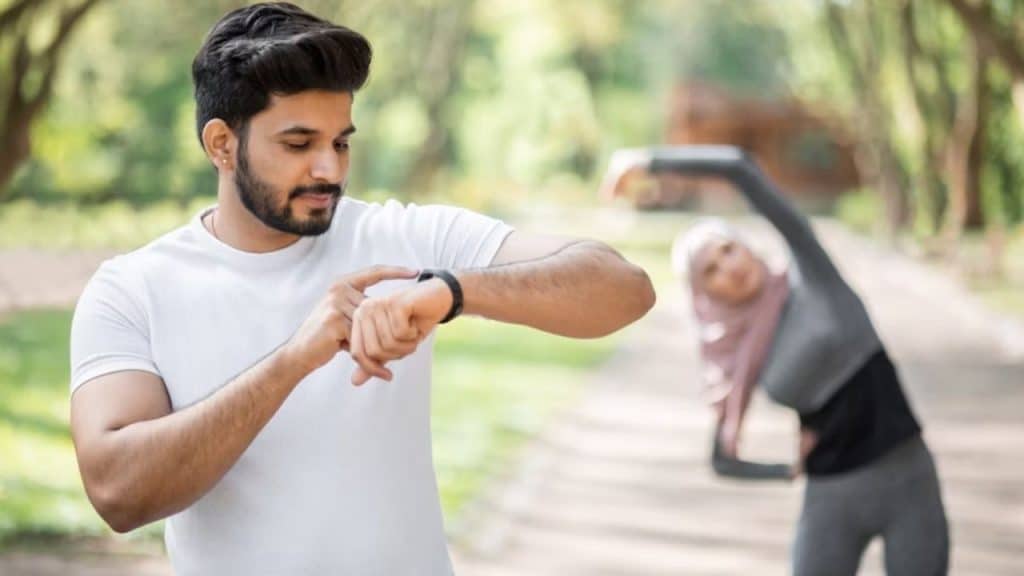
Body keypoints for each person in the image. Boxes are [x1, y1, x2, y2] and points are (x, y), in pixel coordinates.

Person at [68, 4, 655, 574]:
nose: (329, 169)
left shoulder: (403, 238)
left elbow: (623, 289)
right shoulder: (133, 290)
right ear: (221, 144)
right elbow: (118, 493)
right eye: (299, 145)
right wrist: (295, 359)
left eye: (341, 142)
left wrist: (449, 292)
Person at [602, 146, 949, 576]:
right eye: (710, 270)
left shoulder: (814, 276)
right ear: (705, 296)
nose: (728, 267)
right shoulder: (738, 354)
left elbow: (740, 168)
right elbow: (722, 461)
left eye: (728, 249)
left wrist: (647, 162)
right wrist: (786, 470)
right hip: (830, 502)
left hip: (907, 481)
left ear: (746, 245)